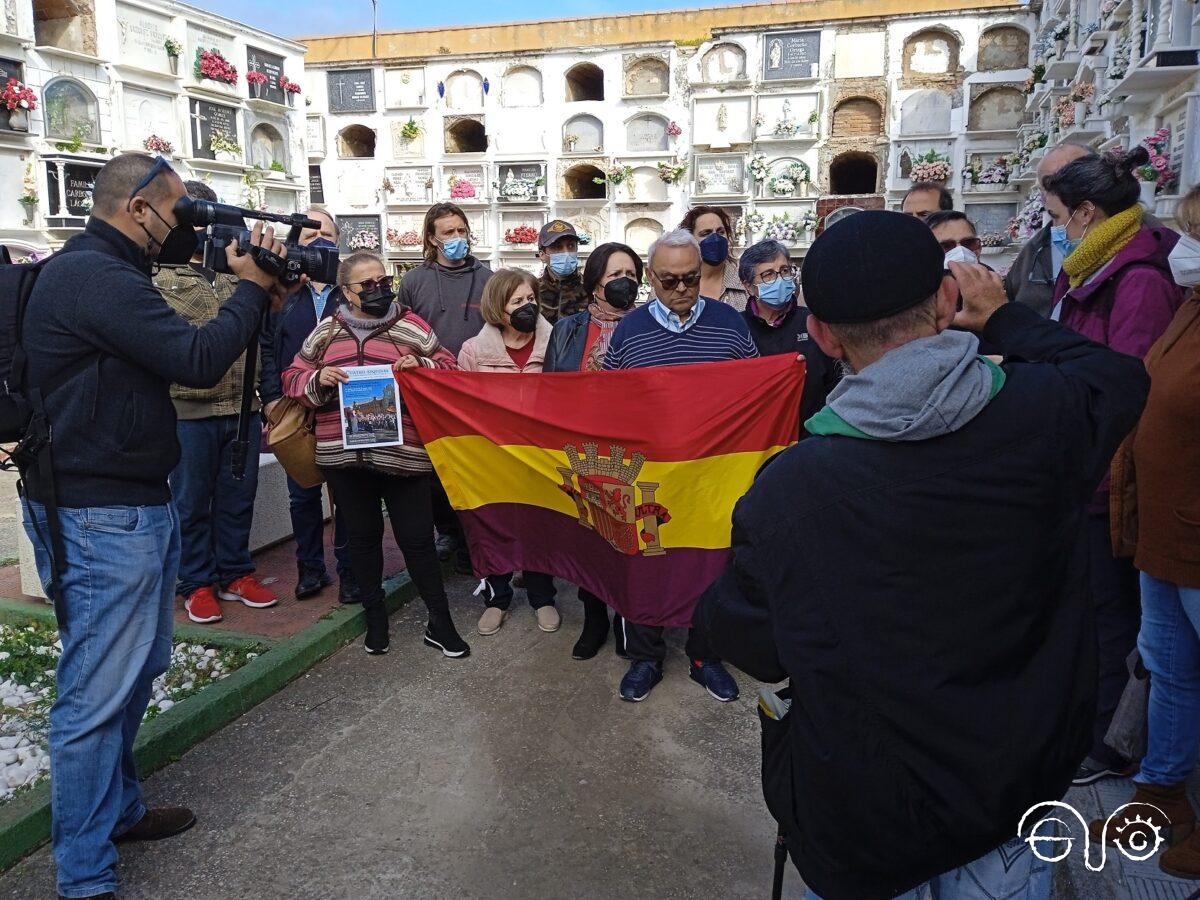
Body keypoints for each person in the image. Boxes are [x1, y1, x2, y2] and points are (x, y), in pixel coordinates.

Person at [694, 210, 1149, 899]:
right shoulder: (1047, 412)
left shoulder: (790, 491)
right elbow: (1117, 377)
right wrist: (1002, 319)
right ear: (946, 300)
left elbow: (743, 636)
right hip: (1013, 798)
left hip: (867, 823)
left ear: (820, 335)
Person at [20, 153, 292, 899]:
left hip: (126, 499)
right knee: (94, 693)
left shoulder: (107, 274)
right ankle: (83, 875)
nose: (189, 228)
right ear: (138, 208)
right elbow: (198, 358)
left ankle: (119, 810)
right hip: (97, 511)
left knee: (134, 671)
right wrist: (250, 286)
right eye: (182, 212)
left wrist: (250, 294)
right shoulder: (93, 277)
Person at [1042, 147, 1186, 785]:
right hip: (1083, 471)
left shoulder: (1138, 280)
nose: (1061, 231)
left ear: (1089, 211)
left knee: (1112, 617)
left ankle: (1110, 739)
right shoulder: (1094, 266)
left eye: (1064, 219)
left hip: (1111, 479)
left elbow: (1128, 389)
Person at [1086, 183, 1200, 876]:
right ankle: (1163, 792)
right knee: (1171, 670)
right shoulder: (1190, 305)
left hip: (1196, 533)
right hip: (1163, 528)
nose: (1181, 248)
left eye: (1193, 233)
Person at [283, 251, 470, 658]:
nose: (377, 290)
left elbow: (449, 367)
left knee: (417, 541)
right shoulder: (326, 332)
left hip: (405, 457)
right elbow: (292, 377)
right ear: (346, 292)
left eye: (383, 282)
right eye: (366, 285)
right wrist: (319, 378)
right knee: (362, 540)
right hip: (346, 462)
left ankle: (441, 622)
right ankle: (375, 620)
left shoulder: (410, 325)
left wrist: (420, 365)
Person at [602, 228, 757, 702]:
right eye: (669, 281)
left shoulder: (730, 323)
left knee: (712, 564)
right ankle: (645, 657)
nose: (682, 289)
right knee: (643, 562)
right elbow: (608, 402)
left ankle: (705, 655)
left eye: (691, 278)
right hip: (649, 474)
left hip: (712, 476)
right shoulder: (629, 330)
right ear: (650, 278)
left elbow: (754, 390)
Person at [157, 180, 277, 624]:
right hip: (188, 410)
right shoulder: (159, 274)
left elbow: (260, 336)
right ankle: (196, 582)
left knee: (237, 497)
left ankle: (235, 574)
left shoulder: (240, 273)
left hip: (242, 406)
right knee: (190, 503)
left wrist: (266, 399)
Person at [544, 241, 643, 659]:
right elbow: (549, 387)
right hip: (580, 449)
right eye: (614, 276)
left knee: (630, 535)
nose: (625, 283)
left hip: (634, 449)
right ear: (595, 285)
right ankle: (594, 616)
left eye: (631, 275)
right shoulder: (568, 329)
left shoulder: (648, 325)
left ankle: (630, 617)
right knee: (588, 533)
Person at [259, 206, 356, 603]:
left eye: (327, 235)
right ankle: (311, 569)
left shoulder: (350, 290)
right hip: (295, 407)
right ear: (295, 244)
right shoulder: (279, 292)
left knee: (348, 495)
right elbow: (266, 347)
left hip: (345, 406)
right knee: (302, 494)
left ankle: (351, 571)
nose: (320, 243)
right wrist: (269, 399)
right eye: (311, 236)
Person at [457, 268, 561, 635]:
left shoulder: (557, 343)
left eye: (530, 299)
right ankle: (497, 598)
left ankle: (542, 597)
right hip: (492, 458)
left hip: (541, 457)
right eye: (517, 301)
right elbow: (463, 408)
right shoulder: (473, 352)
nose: (526, 306)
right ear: (498, 308)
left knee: (540, 525)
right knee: (494, 526)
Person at [398, 202, 493, 573]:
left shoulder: (488, 278)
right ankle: (448, 532)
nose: (457, 239)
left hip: (475, 388)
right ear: (432, 238)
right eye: (448, 232)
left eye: (461, 230)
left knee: (475, 464)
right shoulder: (414, 281)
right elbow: (402, 331)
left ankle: (475, 540)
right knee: (435, 466)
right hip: (431, 388)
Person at [738, 238, 840, 437]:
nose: (780, 279)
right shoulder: (736, 327)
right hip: (757, 443)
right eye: (768, 275)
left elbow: (837, 382)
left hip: (811, 437)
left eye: (784, 271)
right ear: (749, 286)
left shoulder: (814, 322)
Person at [1004, 141, 1097, 317]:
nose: (1051, 195)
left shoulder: (1139, 244)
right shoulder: (1034, 250)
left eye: (1061, 182)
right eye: (1045, 187)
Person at [679, 205, 749, 311]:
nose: (716, 239)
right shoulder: (673, 281)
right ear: (690, 240)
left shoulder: (745, 279)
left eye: (721, 232)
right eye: (706, 233)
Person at [535, 219, 588, 323]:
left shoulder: (591, 289)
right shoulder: (532, 290)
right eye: (557, 247)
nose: (566, 253)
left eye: (571, 246)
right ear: (542, 255)